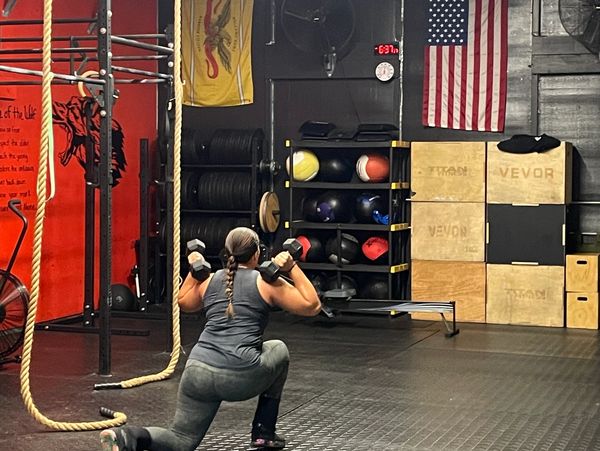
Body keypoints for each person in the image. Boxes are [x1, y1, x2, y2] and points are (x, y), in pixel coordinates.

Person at [100, 227, 322, 451]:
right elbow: (312, 306)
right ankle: (264, 433)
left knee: (181, 439)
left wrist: (194, 269)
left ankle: (128, 436)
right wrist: (291, 267)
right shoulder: (266, 283)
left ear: (227, 254)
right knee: (278, 349)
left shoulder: (210, 280)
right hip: (239, 377)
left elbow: (184, 302)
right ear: (256, 255)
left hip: (198, 372)